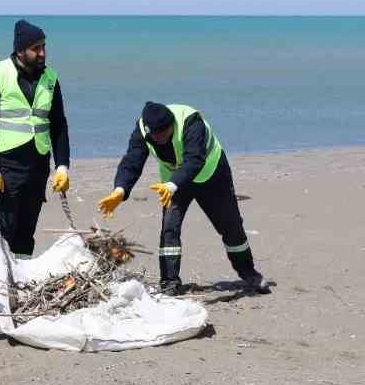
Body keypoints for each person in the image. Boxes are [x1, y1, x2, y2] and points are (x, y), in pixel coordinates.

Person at [96, 101, 271, 296]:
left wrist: (172, 185)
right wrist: (120, 190)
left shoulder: (190, 122)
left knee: (231, 227)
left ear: (171, 125)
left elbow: (194, 159)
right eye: (155, 135)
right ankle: (170, 283)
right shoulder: (143, 129)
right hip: (172, 183)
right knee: (169, 228)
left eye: (163, 133)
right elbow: (132, 161)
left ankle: (248, 273)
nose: (159, 138)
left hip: (211, 175)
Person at [0, 20, 71, 319]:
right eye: (36, 48)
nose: (42, 53)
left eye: (44, 47)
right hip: (5, 167)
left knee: (25, 234)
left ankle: (20, 286)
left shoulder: (51, 78)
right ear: (20, 50)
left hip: (37, 166)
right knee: (1, 231)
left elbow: (59, 124)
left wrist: (63, 165)